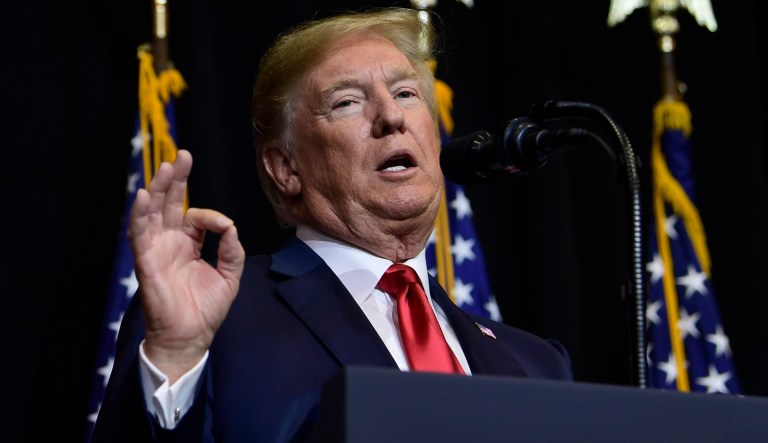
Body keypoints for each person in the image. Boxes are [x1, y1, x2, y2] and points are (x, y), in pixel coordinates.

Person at [92, 7, 572, 443]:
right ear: (286, 168)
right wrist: (176, 358)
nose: (391, 117)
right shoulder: (219, 318)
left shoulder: (538, 366)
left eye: (406, 94)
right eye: (346, 102)